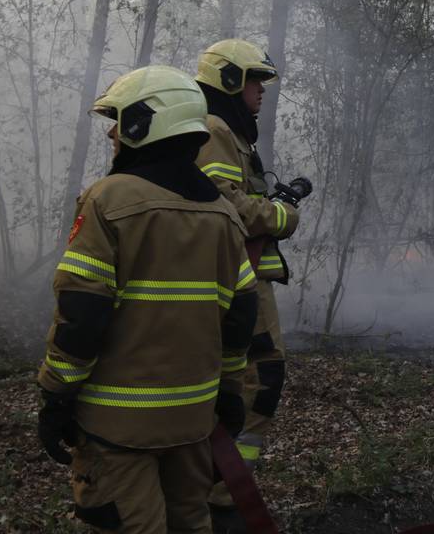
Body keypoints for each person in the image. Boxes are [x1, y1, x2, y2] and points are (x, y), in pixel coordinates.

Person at [37, 65, 259, 533]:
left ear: (145, 124)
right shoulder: (224, 216)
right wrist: (230, 392)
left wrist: (56, 394)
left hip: (116, 429)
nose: (113, 134)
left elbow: (81, 312)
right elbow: (240, 319)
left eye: (119, 121)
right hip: (193, 424)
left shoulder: (109, 201)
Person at [193, 39, 302, 531]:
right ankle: (225, 495)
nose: (262, 91)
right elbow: (223, 202)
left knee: (246, 381)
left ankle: (223, 488)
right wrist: (281, 215)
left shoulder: (230, 132)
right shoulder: (215, 130)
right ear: (231, 81)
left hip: (245, 277)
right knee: (261, 379)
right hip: (239, 281)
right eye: (256, 80)